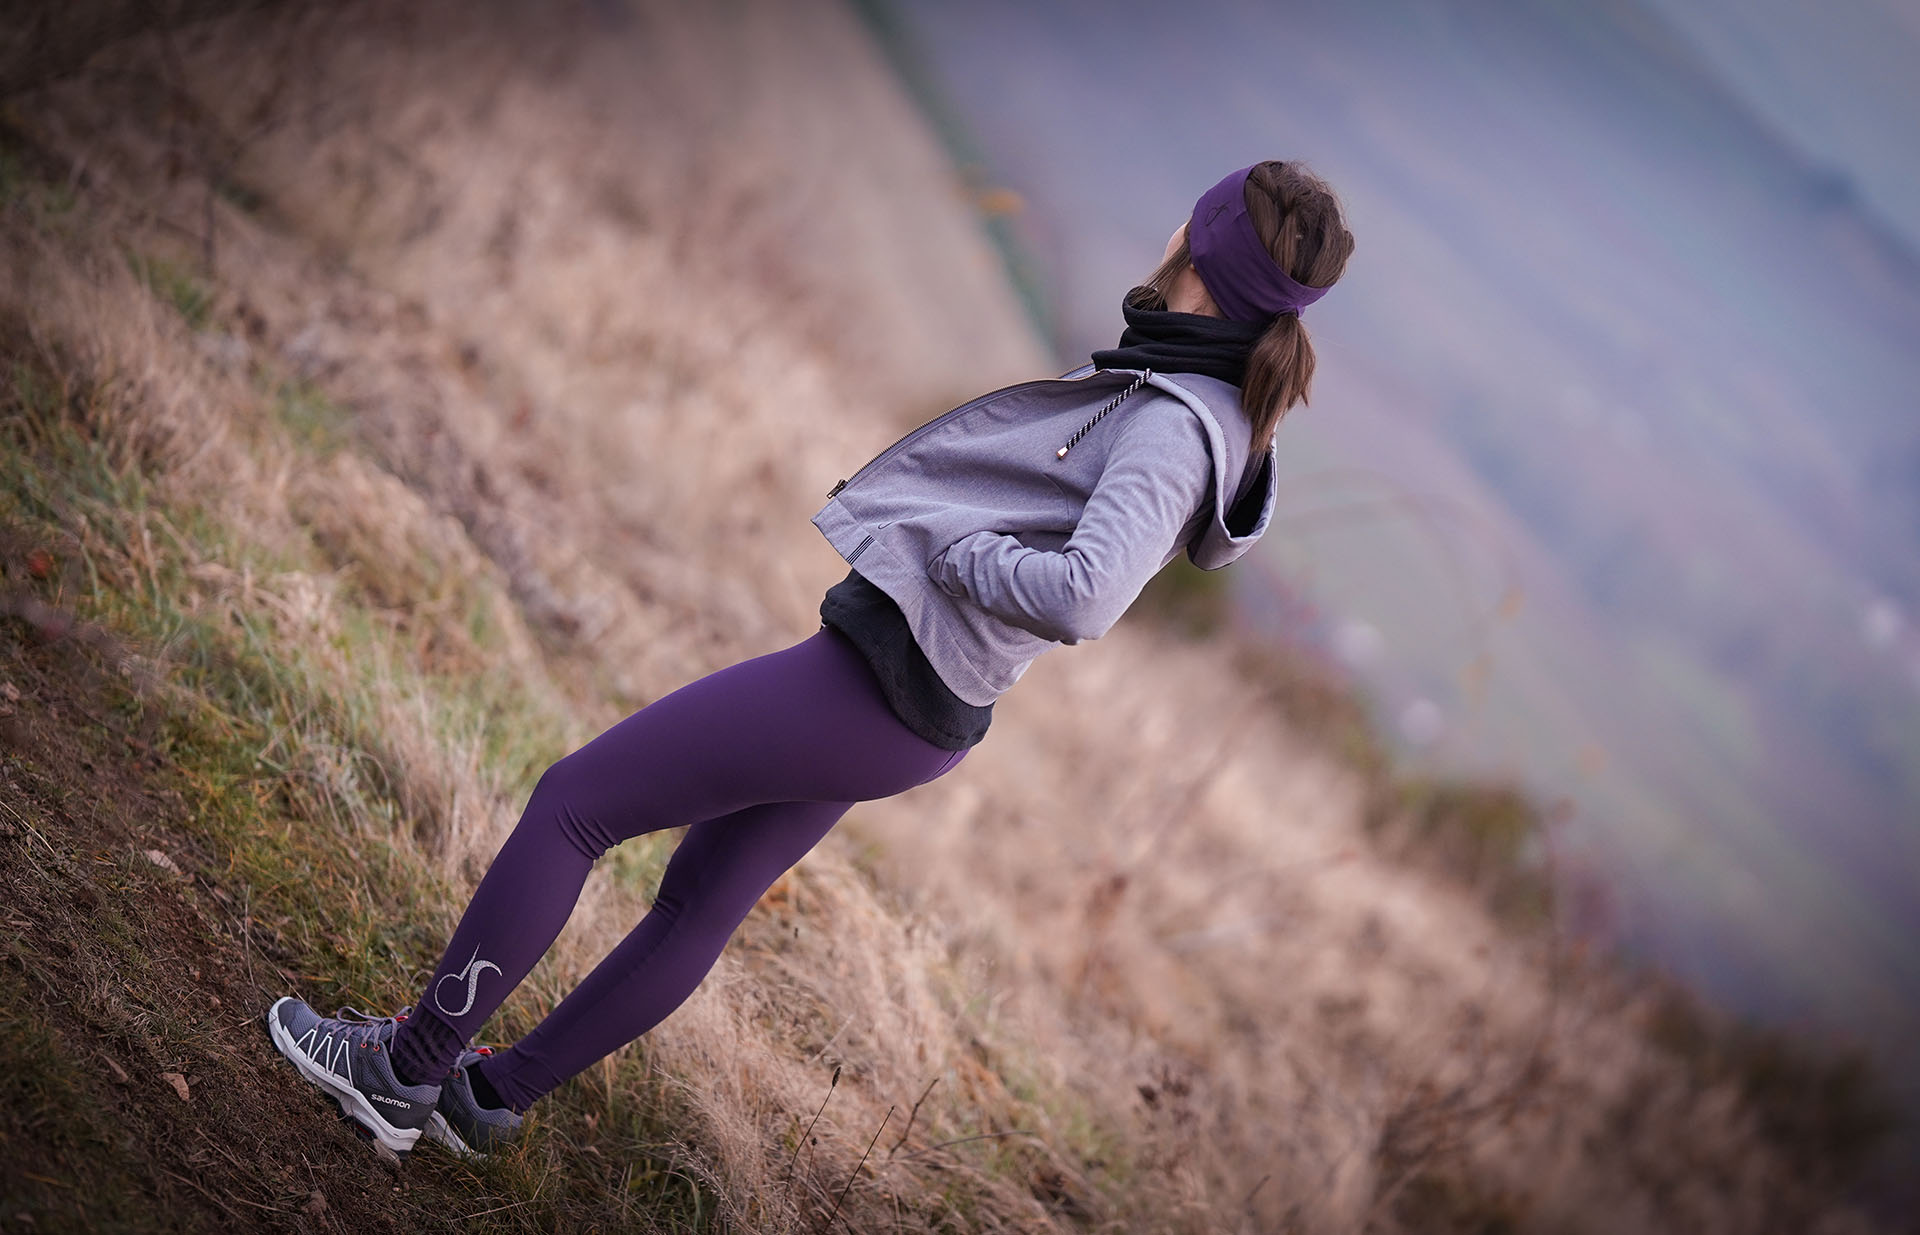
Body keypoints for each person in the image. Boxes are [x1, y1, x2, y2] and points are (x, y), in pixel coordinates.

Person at [265, 161, 1355, 1158]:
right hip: (900, 696)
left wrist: (958, 552)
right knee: (696, 900)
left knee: (572, 805)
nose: (1173, 215)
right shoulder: (1193, 386)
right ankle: (485, 1098)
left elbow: (1086, 595)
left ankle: (402, 1074)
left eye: (1195, 210)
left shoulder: (1177, 424)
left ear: (1206, 251)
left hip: (879, 689)